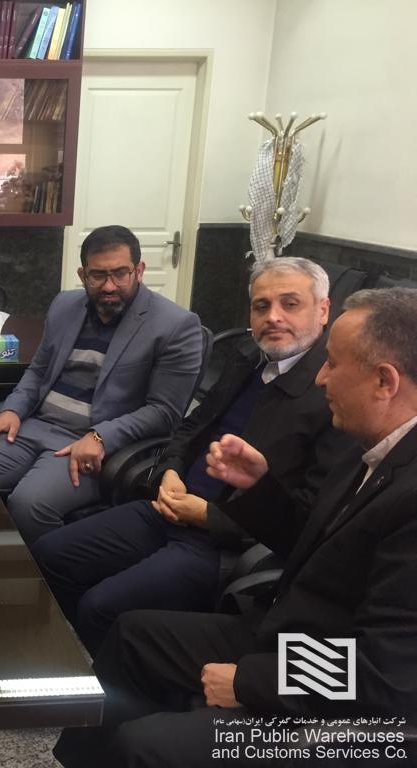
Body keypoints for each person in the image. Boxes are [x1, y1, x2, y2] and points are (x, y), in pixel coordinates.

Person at [54, 287, 417, 767]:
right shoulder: (369, 446)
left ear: (384, 381)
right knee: (132, 635)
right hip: (290, 636)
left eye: (332, 364)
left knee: (145, 746)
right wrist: (260, 489)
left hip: (351, 711)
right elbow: (309, 543)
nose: (321, 377)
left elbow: (385, 673)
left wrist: (250, 681)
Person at [32, 257, 353, 654]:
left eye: (290, 304)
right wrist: (170, 471)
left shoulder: (335, 396)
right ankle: (74, 655)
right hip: (167, 508)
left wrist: (207, 515)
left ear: (323, 309)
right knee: (48, 555)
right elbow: (191, 426)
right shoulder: (249, 360)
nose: (273, 317)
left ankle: (108, 674)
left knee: (101, 606)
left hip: (223, 543)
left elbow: (308, 516)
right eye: (261, 306)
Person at [0, 225, 203, 545]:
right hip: (34, 427)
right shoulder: (65, 305)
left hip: (94, 443)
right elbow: (39, 370)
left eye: (120, 273)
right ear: (83, 275)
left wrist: (100, 436)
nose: (109, 286)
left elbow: (164, 412)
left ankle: (48, 575)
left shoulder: (176, 325)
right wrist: (12, 409)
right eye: (98, 275)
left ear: (139, 270)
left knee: (28, 505)